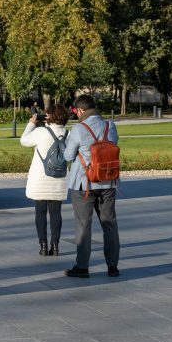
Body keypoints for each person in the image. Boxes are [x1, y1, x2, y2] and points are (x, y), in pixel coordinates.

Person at [62, 94, 120, 279]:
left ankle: (82, 267)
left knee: (84, 225)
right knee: (109, 224)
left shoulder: (78, 129)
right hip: (108, 181)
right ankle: (112, 266)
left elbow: (68, 156)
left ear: (80, 110)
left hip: (84, 183)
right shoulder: (110, 126)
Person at [20, 103, 69, 256]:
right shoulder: (69, 133)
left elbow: (24, 141)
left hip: (41, 178)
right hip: (59, 178)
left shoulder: (41, 132)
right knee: (56, 213)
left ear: (50, 116)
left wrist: (31, 123)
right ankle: (55, 246)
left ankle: (43, 245)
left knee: (40, 213)